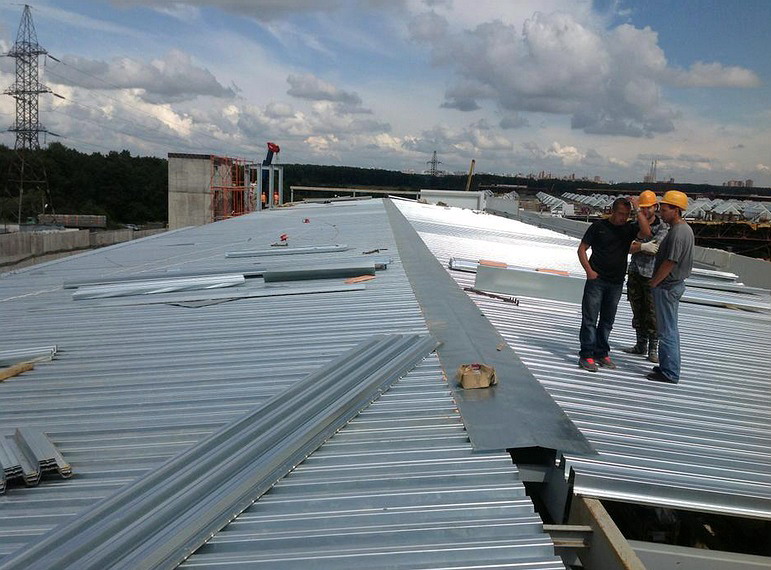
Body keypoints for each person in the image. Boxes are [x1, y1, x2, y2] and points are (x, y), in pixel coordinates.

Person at [577, 197, 651, 372]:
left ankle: (601, 353)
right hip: (597, 280)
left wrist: (637, 209)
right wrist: (589, 271)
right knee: (590, 319)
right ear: (612, 211)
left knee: (607, 320)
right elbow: (582, 249)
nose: (622, 218)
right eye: (620, 214)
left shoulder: (628, 229)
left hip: (616, 282)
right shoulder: (598, 227)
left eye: (626, 215)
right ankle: (586, 355)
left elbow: (646, 232)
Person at [647, 190, 694, 384]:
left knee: (667, 331)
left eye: (665, 209)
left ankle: (670, 372)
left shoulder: (677, 233)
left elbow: (670, 262)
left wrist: (654, 282)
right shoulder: (683, 230)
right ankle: (668, 365)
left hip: (668, 287)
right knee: (669, 329)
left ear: (676, 210)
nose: (661, 213)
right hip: (672, 286)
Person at [622, 190, 669, 363]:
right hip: (635, 272)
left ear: (655, 207)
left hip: (651, 275)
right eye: (642, 208)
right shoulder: (634, 224)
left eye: (648, 208)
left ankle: (653, 348)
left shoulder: (663, 227)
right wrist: (642, 246)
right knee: (637, 309)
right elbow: (626, 247)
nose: (645, 211)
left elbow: (654, 247)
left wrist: (638, 245)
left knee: (652, 313)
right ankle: (640, 344)